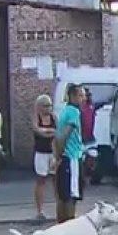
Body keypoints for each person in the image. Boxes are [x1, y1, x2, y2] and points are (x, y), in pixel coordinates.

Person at [53, 84, 85, 223]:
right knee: (71, 196)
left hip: (65, 157)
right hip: (72, 157)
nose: (83, 99)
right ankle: (69, 226)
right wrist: (60, 154)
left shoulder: (64, 111)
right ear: (72, 96)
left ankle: (61, 226)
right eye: (80, 95)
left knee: (62, 195)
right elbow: (64, 135)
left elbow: (57, 136)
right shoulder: (73, 112)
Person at [32, 95, 57, 220]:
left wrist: (47, 132)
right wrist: (49, 132)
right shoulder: (36, 117)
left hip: (53, 152)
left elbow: (58, 131)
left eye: (50, 105)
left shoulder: (54, 117)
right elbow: (37, 130)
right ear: (40, 107)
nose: (48, 108)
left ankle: (59, 207)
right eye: (46, 106)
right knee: (41, 180)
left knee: (56, 180)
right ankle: (40, 210)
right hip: (41, 152)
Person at [80, 88, 98, 184]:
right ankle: (82, 179)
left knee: (93, 157)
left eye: (88, 95)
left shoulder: (92, 107)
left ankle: (88, 174)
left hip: (90, 137)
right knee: (81, 160)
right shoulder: (78, 108)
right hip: (81, 138)